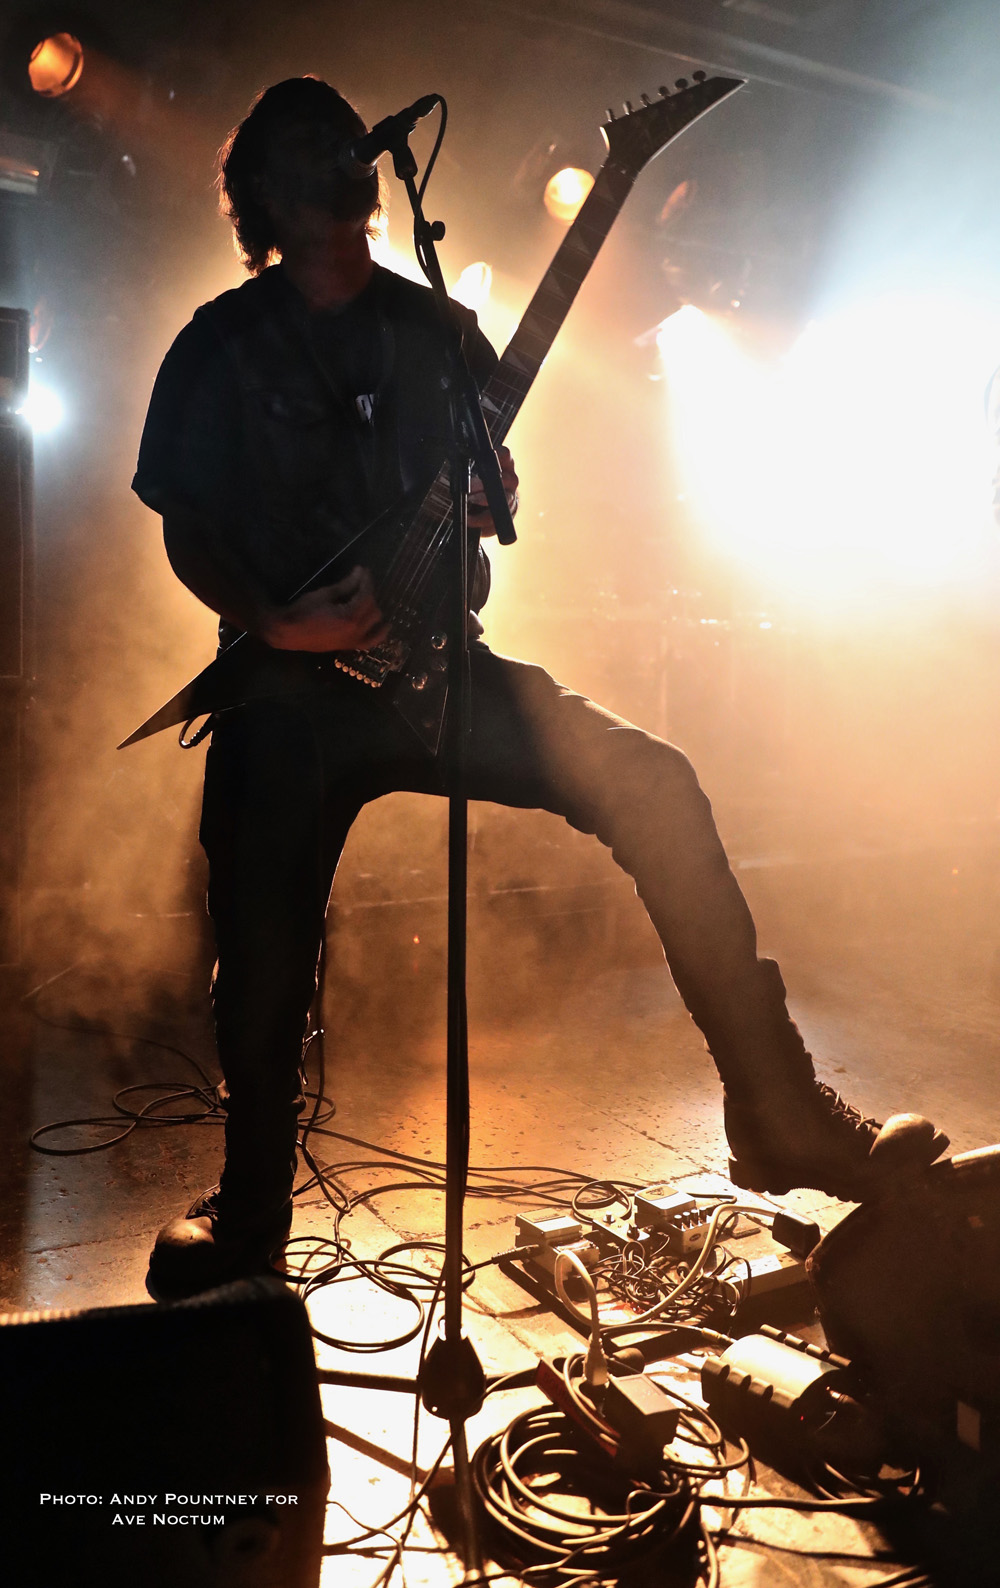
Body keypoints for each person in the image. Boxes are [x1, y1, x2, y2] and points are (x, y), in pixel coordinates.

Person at [132, 78, 946, 1299]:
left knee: (653, 782)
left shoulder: (435, 329)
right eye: (306, 151)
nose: (340, 162)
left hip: (436, 671)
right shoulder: (218, 343)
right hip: (284, 694)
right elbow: (185, 528)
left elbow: (492, 501)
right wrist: (280, 619)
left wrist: (492, 499)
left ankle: (777, 1111)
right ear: (263, 198)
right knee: (261, 952)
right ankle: (249, 1211)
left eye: (345, 143)